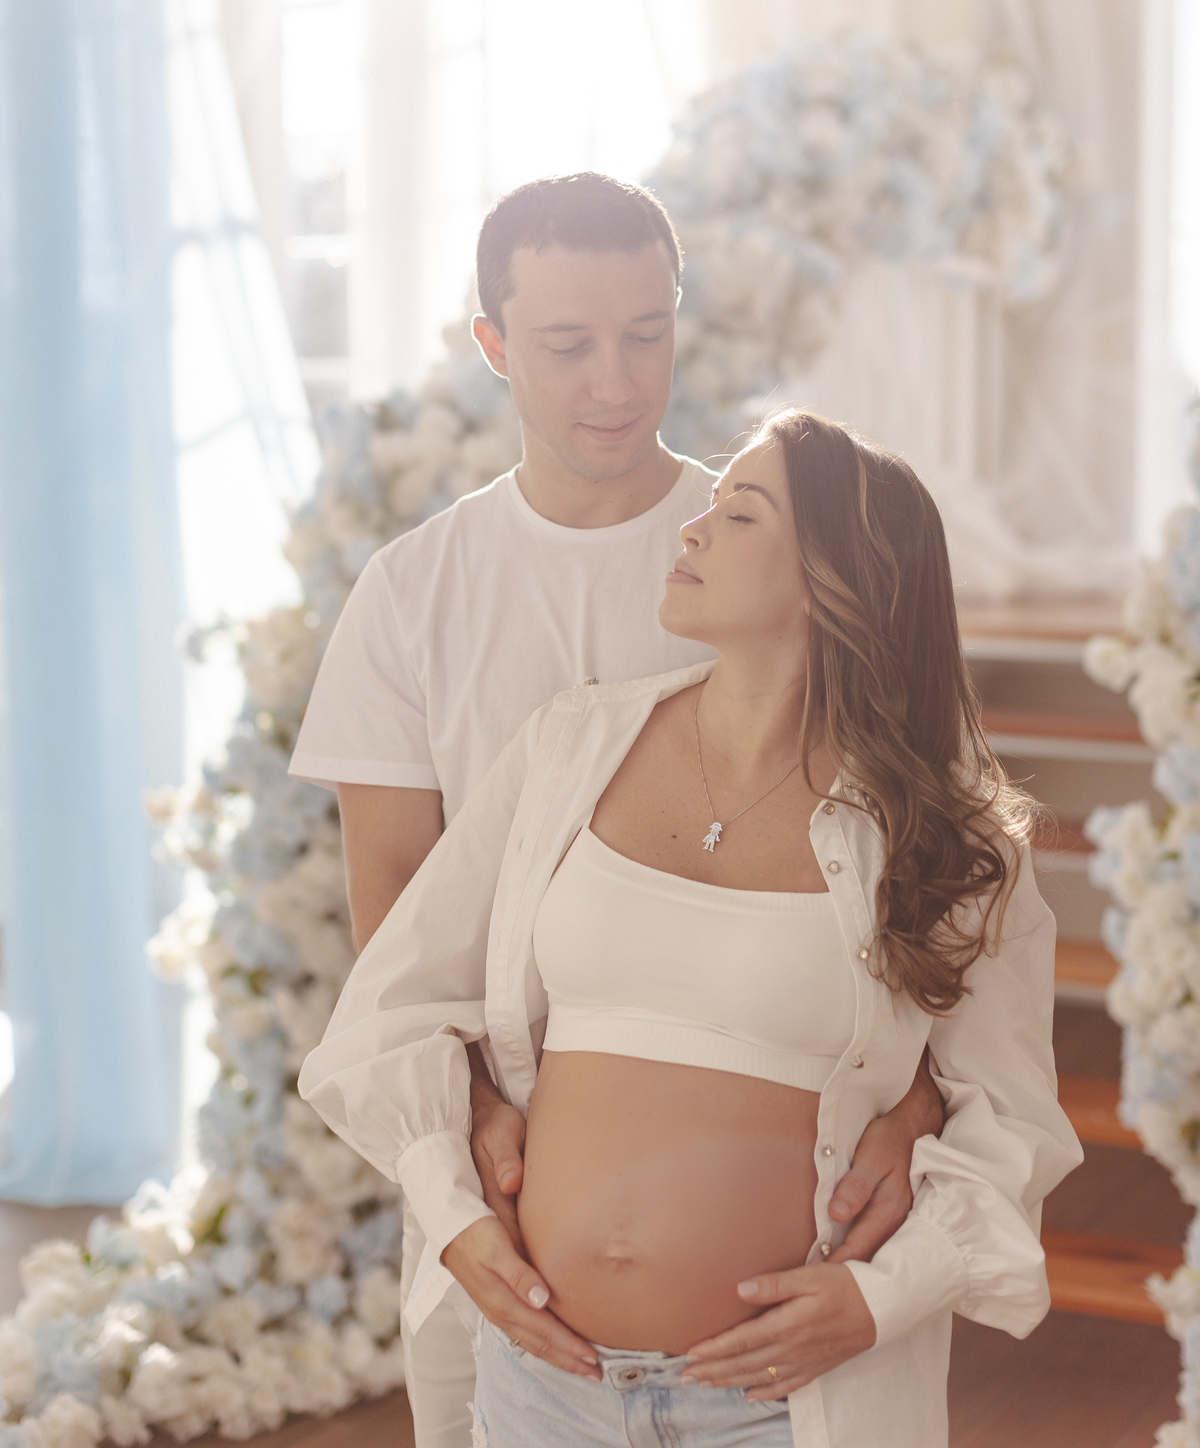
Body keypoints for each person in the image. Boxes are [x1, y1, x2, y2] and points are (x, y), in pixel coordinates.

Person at [289, 176, 945, 1447]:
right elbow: (398, 923)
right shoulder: (414, 593)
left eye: (648, 333)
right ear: (494, 346)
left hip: (777, 1239)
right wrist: (471, 1127)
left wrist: (917, 1103)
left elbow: (934, 864)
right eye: (567, 345)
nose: (616, 381)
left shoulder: (771, 545)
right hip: (504, 1204)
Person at [299, 408, 1082, 1448]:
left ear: (834, 579)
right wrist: (454, 1218)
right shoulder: (573, 745)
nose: (693, 528)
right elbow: (394, 1003)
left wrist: (877, 1301)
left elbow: (1014, 1119)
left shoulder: (943, 834)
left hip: (781, 1406)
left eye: (740, 513)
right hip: (542, 1386)